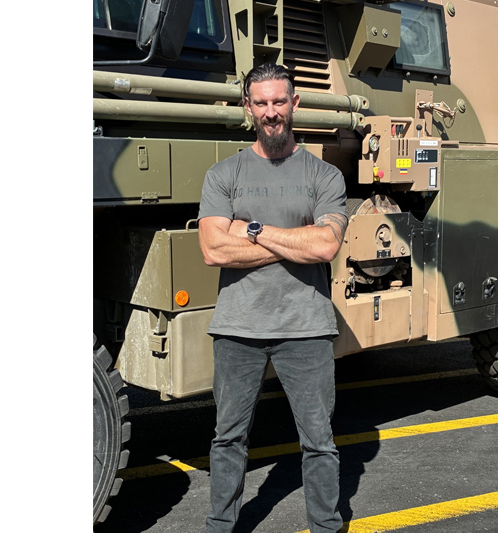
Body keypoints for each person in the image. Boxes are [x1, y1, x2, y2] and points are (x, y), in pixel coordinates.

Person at [197, 62, 348, 533]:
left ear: (294, 103)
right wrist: (293, 242)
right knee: (227, 439)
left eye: (279, 101)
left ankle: (326, 526)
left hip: (307, 329)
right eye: (260, 103)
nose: (271, 112)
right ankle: (220, 526)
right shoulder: (224, 173)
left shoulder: (325, 176)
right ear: (248, 108)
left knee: (319, 442)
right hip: (237, 328)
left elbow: (326, 245)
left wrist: (254, 230)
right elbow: (212, 249)